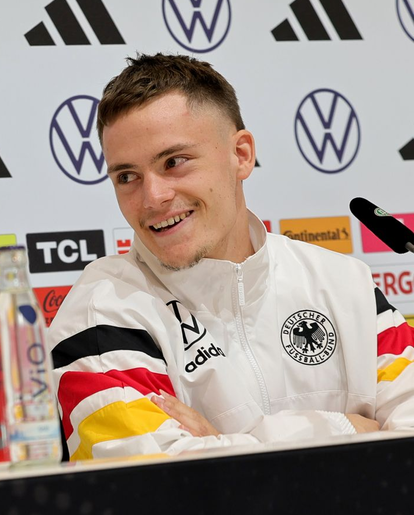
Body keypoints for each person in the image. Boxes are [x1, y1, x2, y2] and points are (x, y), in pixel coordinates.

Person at [48, 53, 414, 461]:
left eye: (174, 162)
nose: (153, 198)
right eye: (127, 176)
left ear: (241, 155)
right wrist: (351, 428)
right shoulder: (102, 313)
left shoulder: (345, 285)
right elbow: (150, 482)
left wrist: (222, 447)